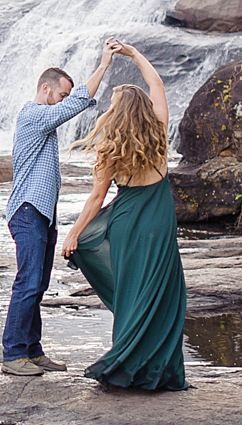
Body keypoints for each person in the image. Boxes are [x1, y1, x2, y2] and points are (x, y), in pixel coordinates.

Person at [59, 42, 188, 391]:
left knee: (132, 292)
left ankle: (125, 362)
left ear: (119, 113)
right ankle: (159, 371)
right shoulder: (159, 131)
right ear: (143, 108)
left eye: (113, 104)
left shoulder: (111, 147)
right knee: (162, 292)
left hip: (127, 223)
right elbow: (157, 85)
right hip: (159, 223)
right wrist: (133, 54)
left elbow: (97, 197)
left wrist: (74, 234)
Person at [1, 40, 115, 377]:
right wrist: (104, 63)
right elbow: (77, 104)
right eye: (61, 95)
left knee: (38, 284)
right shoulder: (33, 114)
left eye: (65, 97)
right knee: (28, 283)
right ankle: (13, 355)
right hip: (28, 210)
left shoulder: (42, 120)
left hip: (41, 213)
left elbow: (74, 102)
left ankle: (32, 352)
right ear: (46, 88)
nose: (64, 101)